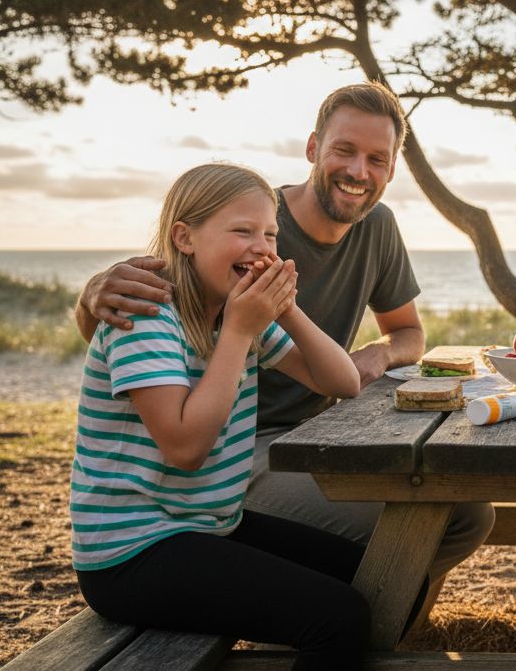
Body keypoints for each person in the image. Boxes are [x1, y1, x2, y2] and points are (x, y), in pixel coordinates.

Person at [76, 82, 494, 587]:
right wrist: (89, 295)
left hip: (319, 431)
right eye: (344, 150)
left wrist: (377, 355)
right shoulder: (250, 218)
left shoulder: (377, 226)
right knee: (417, 517)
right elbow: (149, 311)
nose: (359, 172)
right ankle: (355, 617)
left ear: (391, 169)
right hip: (239, 447)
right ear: (313, 148)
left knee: (469, 513)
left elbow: (407, 332)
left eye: (377, 159)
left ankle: (387, 622)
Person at [72, 163, 370, 669]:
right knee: (341, 619)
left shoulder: (233, 314)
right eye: (242, 231)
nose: (262, 246)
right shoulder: (145, 318)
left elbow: (342, 382)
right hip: (131, 550)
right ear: (184, 237)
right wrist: (238, 332)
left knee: (376, 573)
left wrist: (286, 309)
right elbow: (186, 449)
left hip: (206, 524)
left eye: (270, 234)